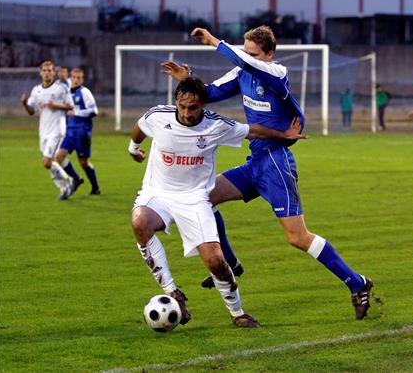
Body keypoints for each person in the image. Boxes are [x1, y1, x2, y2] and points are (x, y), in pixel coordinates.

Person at [161, 25, 373, 320]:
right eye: (245, 51)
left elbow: (246, 63)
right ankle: (231, 265)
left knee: (298, 237)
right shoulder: (241, 72)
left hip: (276, 164)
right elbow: (209, 93)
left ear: (269, 55)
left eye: (254, 53)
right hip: (255, 162)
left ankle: (357, 283)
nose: (247, 58)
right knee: (203, 199)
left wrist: (214, 42)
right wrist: (188, 79)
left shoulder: (277, 73)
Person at [129, 76, 306, 328]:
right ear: (176, 102)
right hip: (157, 193)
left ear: (202, 105)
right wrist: (133, 148)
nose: (187, 113)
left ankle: (237, 313)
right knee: (139, 222)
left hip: (195, 198)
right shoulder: (158, 116)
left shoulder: (216, 126)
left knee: (214, 261)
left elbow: (252, 130)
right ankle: (172, 292)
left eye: (193, 108)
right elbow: (139, 127)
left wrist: (284, 135)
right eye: (182, 106)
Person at [21, 60, 75, 200]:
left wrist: (57, 105)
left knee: (47, 161)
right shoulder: (36, 90)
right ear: (40, 73)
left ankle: (68, 180)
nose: (47, 73)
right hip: (43, 130)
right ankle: (63, 188)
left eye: (50, 70)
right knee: (48, 163)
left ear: (54, 73)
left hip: (57, 129)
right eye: (44, 71)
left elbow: (70, 106)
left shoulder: (60, 89)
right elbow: (31, 112)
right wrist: (24, 104)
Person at [55, 68, 101, 195]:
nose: (76, 80)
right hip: (70, 132)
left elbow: (94, 111)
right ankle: (76, 178)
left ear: (82, 79)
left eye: (79, 78)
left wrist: (77, 112)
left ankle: (95, 188)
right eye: (74, 77)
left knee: (83, 162)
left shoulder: (85, 92)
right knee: (59, 156)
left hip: (83, 132)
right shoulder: (66, 92)